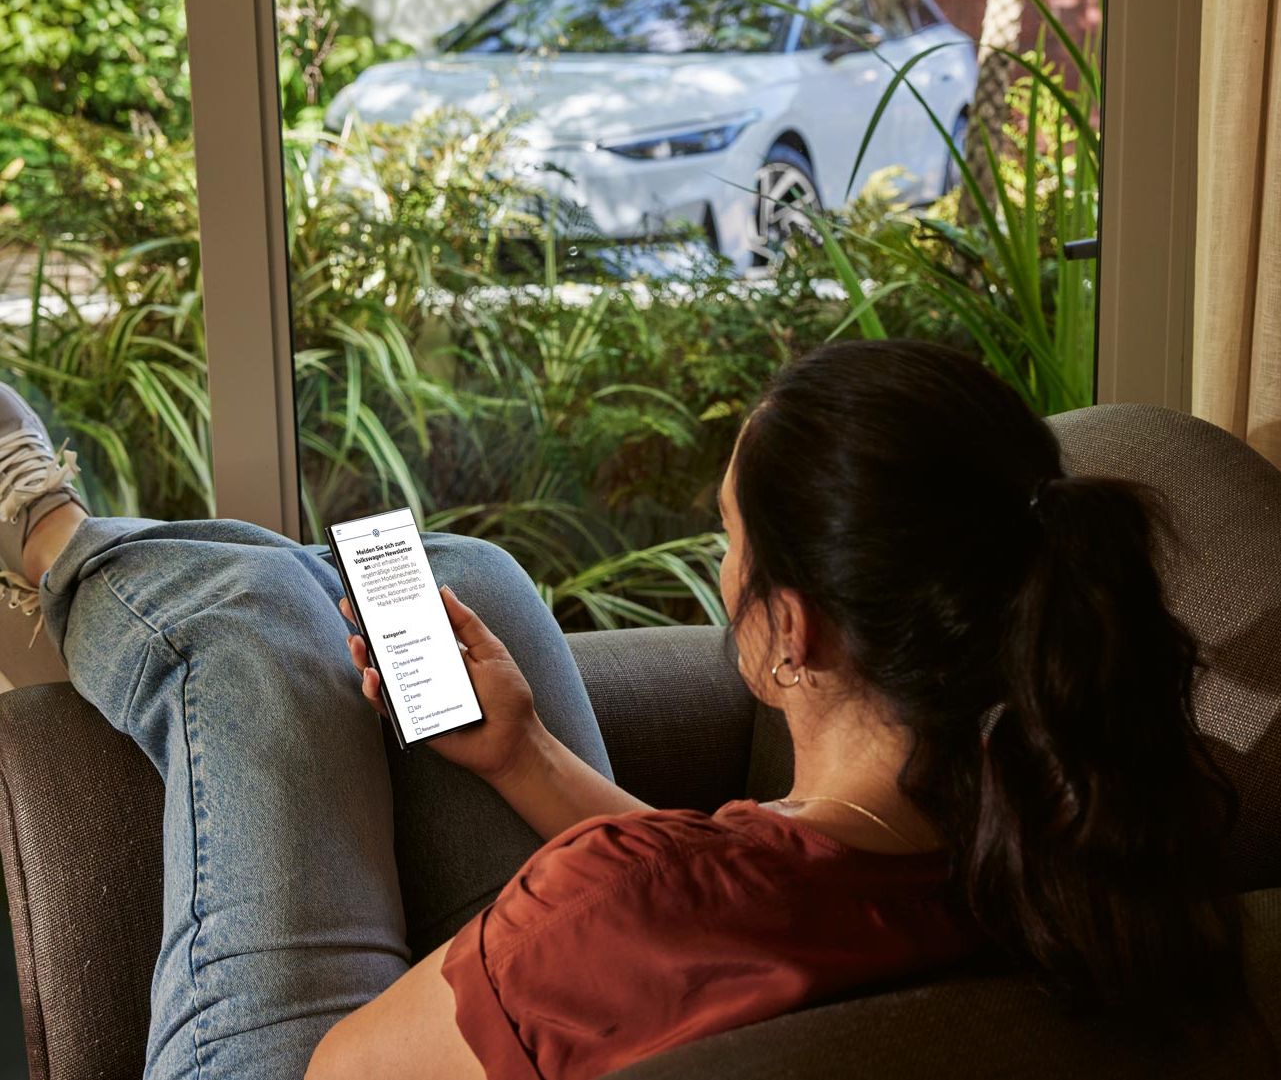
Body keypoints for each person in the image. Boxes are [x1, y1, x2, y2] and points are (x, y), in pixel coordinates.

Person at [0, 339, 1242, 1080]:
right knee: (465, 580)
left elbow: (343, 1069)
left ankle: (40, 529)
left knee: (246, 629)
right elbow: (744, 916)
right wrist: (526, 754)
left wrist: (469, 943)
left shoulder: (605, 900)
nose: (722, 569)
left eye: (729, 541)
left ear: (791, 630)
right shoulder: (1072, 848)